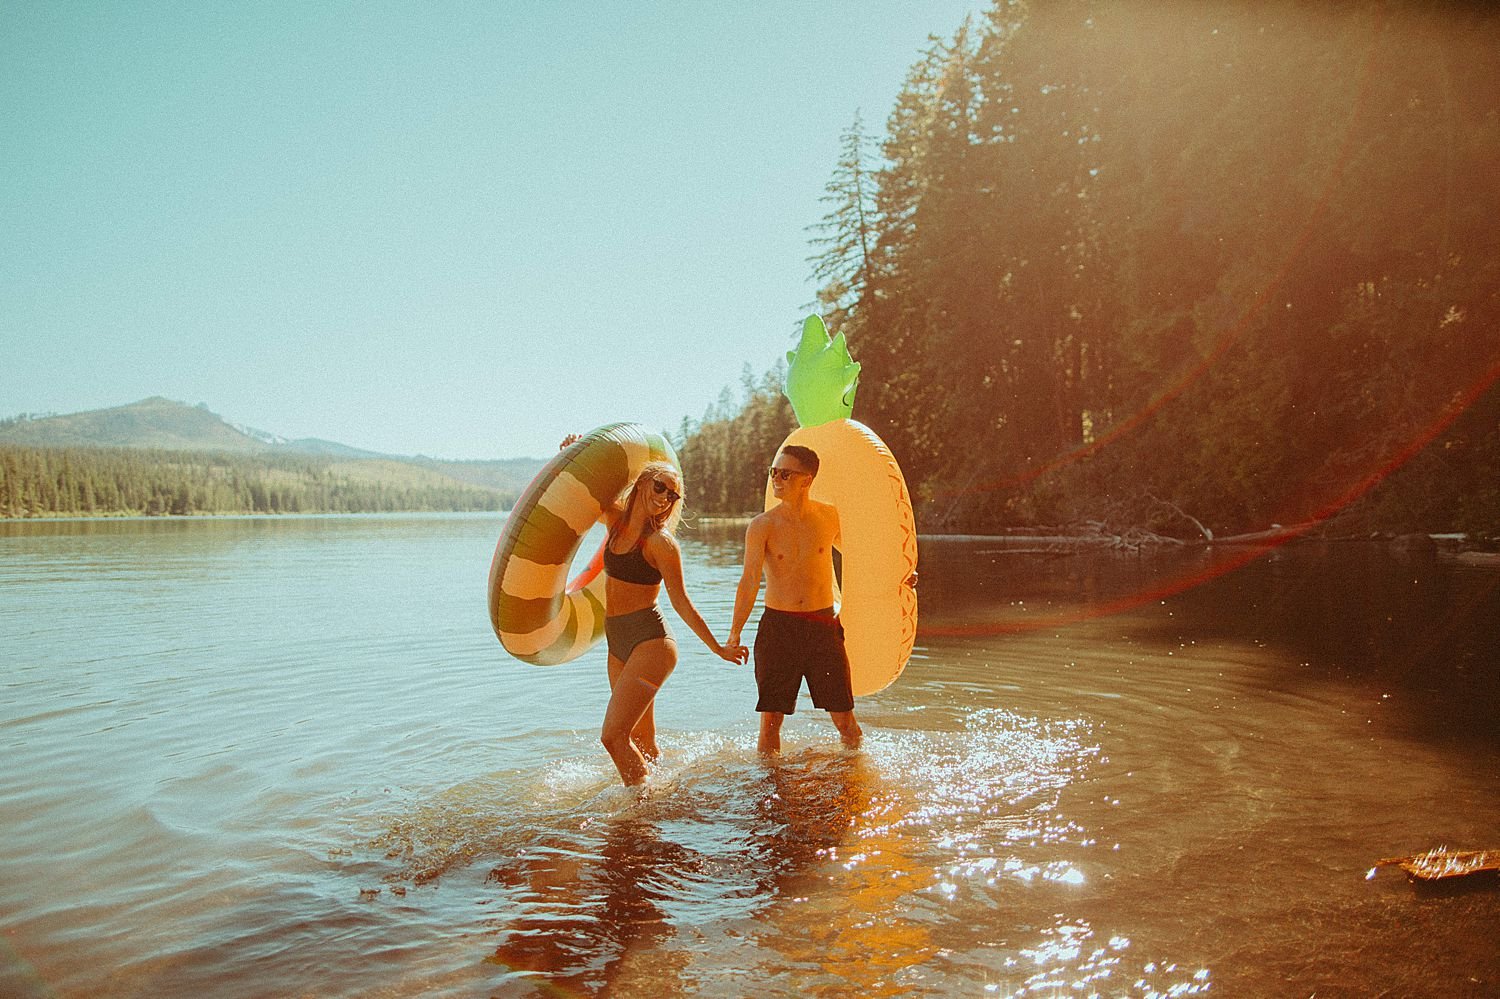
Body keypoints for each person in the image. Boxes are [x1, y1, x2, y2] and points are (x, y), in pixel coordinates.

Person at [562, 436, 745, 786]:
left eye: (672, 495)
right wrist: (573, 451)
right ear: (644, 482)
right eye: (660, 487)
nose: (664, 499)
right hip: (617, 643)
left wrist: (718, 648)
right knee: (641, 741)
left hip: (651, 643)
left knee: (613, 737)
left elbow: (681, 602)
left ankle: (639, 808)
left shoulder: (662, 545)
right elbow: (587, 489)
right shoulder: (615, 520)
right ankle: (661, 802)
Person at [727, 444, 861, 754]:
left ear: (807, 479)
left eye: (785, 473)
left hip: (823, 629)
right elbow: (748, 583)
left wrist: (899, 578)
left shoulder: (828, 517)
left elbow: (860, 555)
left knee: (846, 724)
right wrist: (735, 633)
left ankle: (853, 786)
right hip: (779, 629)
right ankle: (771, 795)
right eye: (774, 472)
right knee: (770, 725)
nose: (776, 479)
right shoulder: (762, 526)